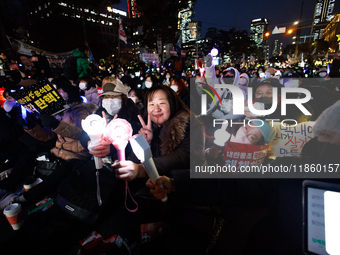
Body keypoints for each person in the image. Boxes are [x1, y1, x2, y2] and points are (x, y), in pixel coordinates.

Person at [0, 77, 97, 209]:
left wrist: (56, 124)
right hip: (57, 151)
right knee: (28, 156)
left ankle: (23, 199)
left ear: (69, 91)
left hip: (77, 155)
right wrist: (30, 127)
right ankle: (5, 189)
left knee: (63, 170)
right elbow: (47, 136)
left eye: (59, 91)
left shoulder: (81, 110)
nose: (57, 94)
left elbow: (80, 133)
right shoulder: (58, 111)